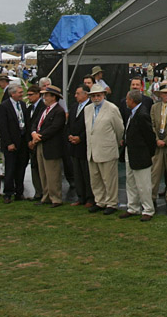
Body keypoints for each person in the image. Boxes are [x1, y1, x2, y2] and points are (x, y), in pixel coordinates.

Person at [85, 83, 124, 215]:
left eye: (98, 95)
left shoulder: (112, 108)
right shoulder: (88, 109)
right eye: (93, 96)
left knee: (109, 179)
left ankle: (112, 203)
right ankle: (100, 202)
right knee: (95, 179)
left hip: (107, 149)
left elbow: (119, 129)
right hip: (92, 150)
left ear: (104, 95)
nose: (96, 98)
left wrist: (115, 142)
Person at [120, 89, 157, 221]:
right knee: (130, 182)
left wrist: (149, 153)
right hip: (130, 152)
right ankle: (133, 207)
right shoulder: (132, 113)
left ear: (132, 100)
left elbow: (149, 136)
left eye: (127, 99)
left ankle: (148, 209)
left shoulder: (142, 115)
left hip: (141, 154)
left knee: (143, 184)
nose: (126, 101)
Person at [31, 85, 66, 207]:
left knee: (53, 174)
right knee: (43, 172)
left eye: (46, 95)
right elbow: (35, 123)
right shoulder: (44, 110)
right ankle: (46, 196)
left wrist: (39, 136)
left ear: (53, 97)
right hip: (40, 145)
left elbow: (54, 128)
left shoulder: (59, 111)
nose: (44, 97)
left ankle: (56, 198)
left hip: (51, 146)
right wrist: (34, 133)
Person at [0, 83, 30, 203]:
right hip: (11, 143)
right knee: (10, 169)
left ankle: (19, 192)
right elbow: (3, 127)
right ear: (12, 93)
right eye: (20, 92)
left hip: (22, 142)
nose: (22, 94)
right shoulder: (4, 106)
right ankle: (8, 193)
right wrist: (9, 142)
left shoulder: (22, 104)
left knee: (21, 168)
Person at [66, 86, 94, 207]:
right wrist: (70, 136)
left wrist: (80, 138)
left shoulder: (91, 108)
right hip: (74, 146)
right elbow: (69, 124)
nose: (75, 96)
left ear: (85, 94)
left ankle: (90, 198)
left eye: (78, 93)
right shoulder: (74, 107)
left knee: (87, 173)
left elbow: (90, 126)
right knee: (77, 173)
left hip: (85, 145)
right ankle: (80, 196)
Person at [23, 85, 44, 201]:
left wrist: (34, 140)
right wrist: (29, 141)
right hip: (31, 142)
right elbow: (28, 126)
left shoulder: (43, 107)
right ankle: (38, 192)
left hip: (39, 142)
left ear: (38, 94)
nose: (28, 97)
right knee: (34, 167)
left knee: (41, 168)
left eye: (31, 95)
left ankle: (44, 192)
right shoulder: (29, 108)